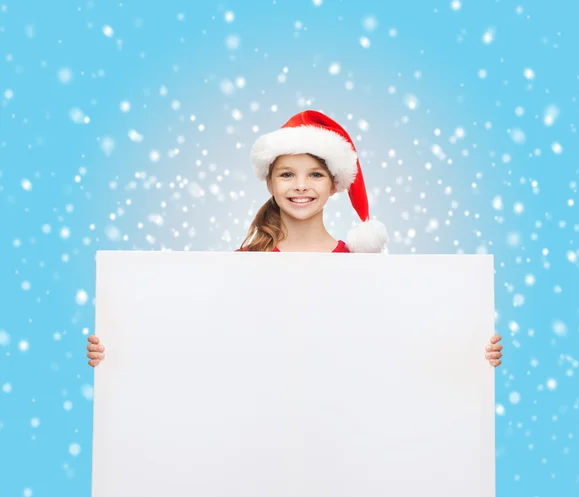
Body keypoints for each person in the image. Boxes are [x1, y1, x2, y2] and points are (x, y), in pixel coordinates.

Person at [86, 110, 503, 367]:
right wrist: (122, 352)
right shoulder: (243, 264)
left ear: (335, 183)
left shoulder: (362, 269)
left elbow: (401, 347)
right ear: (269, 181)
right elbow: (199, 340)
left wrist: (469, 354)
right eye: (287, 174)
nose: (300, 186)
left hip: (343, 437)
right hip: (263, 436)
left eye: (315, 174)